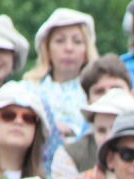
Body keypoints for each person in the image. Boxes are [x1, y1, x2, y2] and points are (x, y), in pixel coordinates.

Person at [25, 8, 99, 146]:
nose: (69, 48)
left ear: (87, 49)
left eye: (77, 41)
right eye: (60, 41)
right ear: (47, 49)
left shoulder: (98, 90)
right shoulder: (29, 90)